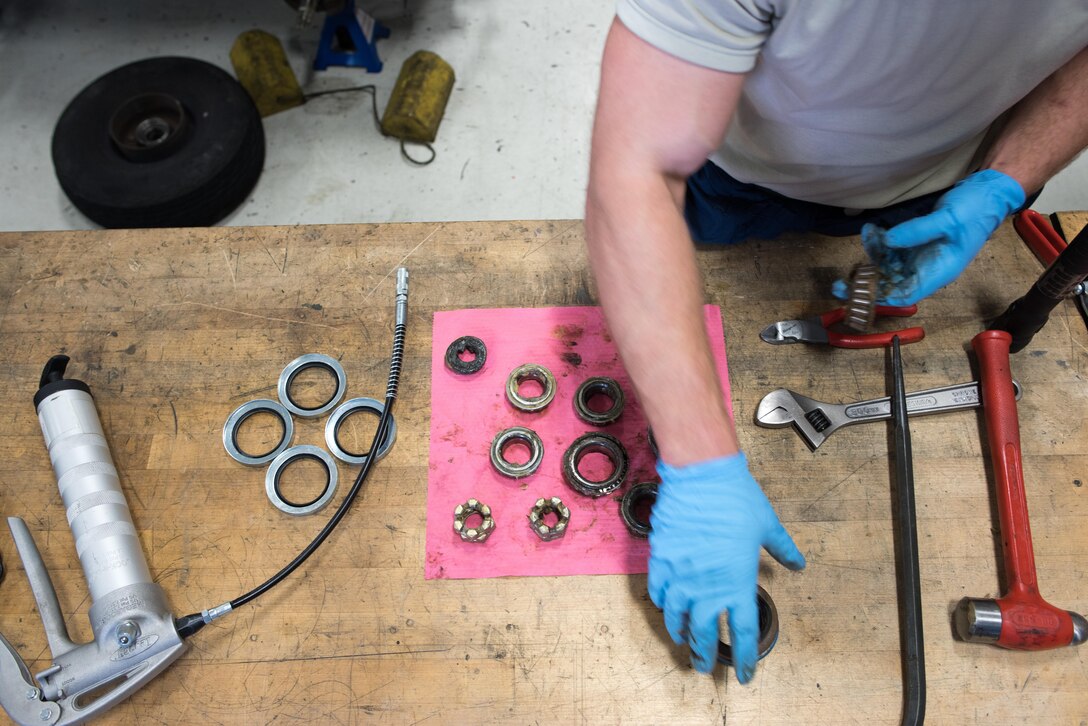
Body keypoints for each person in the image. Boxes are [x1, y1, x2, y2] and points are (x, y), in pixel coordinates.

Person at [584, 0, 1088, 683]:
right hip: (738, 168)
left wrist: (1007, 179)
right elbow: (634, 170)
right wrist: (701, 462)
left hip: (941, 181)